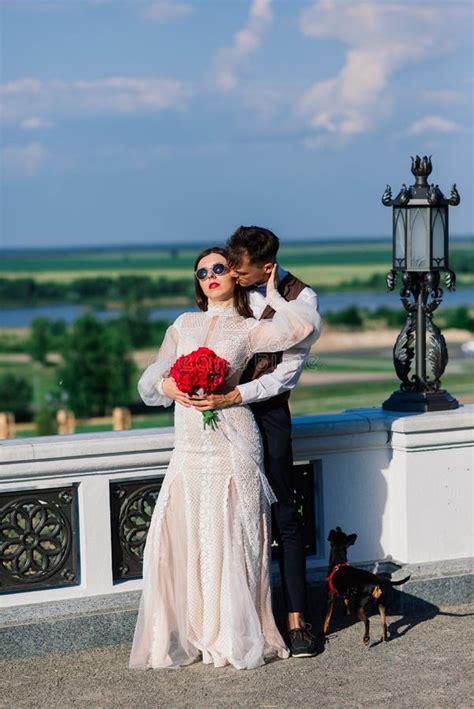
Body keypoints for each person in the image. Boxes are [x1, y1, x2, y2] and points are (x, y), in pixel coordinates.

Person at [129, 246, 321, 670]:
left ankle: (235, 631)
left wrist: (272, 290)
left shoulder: (251, 328)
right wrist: (168, 389)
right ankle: (197, 629)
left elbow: (302, 327)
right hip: (190, 445)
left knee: (234, 531)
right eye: (202, 272)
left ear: (235, 276)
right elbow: (149, 378)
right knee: (191, 531)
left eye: (219, 268)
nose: (210, 276)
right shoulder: (183, 324)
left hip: (233, 436)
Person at [192, 227, 320, 658]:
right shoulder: (235, 282)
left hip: (267, 413)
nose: (233, 276)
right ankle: (234, 620)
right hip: (224, 415)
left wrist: (237, 394)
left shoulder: (301, 299)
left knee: (284, 512)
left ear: (266, 267)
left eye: (240, 272)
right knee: (230, 514)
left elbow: (286, 373)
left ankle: (297, 622)